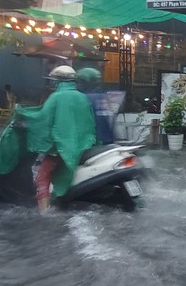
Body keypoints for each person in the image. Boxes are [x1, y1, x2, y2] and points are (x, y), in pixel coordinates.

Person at [14, 65, 96, 213]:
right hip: (83, 145)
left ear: (59, 81)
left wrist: (22, 116)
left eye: (54, 81)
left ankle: (44, 214)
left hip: (60, 148)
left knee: (41, 178)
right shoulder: (82, 97)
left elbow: (42, 118)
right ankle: (58, 204)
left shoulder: (56, 97)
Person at [76, 67, 115, 145]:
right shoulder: (102, 97)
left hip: (91, 143)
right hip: (107, 141)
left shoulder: (85, 98)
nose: (77, 85)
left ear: (87, 83)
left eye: (79, 82)